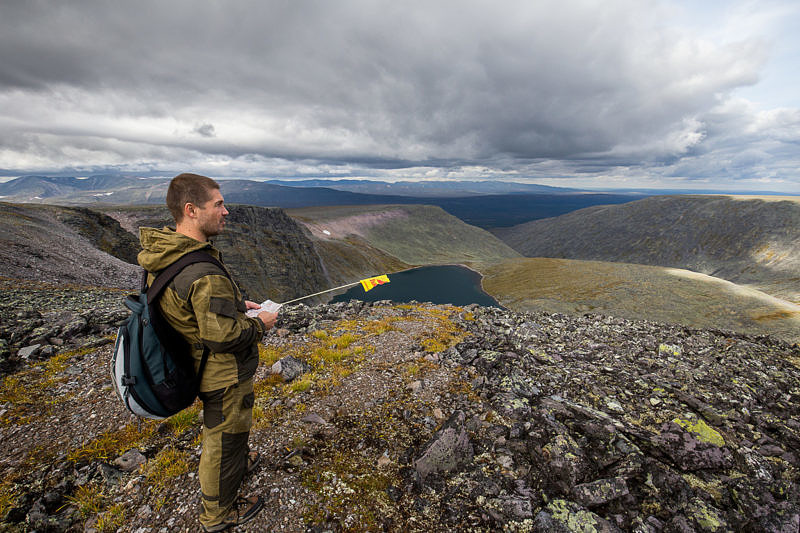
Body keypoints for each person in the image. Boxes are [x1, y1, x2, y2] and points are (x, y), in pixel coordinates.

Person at [137, 173, 277, 532]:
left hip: (192, 363)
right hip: (222, 374)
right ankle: (217, 515)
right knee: (223, 439)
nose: (226, 211)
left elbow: (185, 308)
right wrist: (262, 323)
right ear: (191, 210)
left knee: (229, 434)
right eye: (218, 204)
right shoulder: (202, 270)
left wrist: (233, 303)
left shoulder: (167, 253)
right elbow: (224, 337)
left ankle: (239, 463)